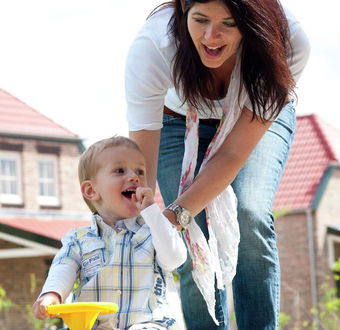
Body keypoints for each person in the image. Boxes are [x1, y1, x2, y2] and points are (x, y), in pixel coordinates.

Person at [125, 0, 309, 329]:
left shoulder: (289, 41)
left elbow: (233, 154)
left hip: (254, 115)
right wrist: (140, 224)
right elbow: (142, 168)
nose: (212, 36)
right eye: (201, 20)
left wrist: (177, 213)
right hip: (178, 122)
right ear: (184, 9)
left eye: (229, 23)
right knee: (189, 234)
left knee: (249, 213)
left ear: (250, 20)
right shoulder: (154, 46)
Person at [32, 136, 187, 329]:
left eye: (140, 171)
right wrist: (52, 294)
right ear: (91, 191)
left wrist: (152, 211)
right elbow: (63, 268)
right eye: (120, 170)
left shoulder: (154, 231)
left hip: (149, 324)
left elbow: (175, 258)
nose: (134, 177)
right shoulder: (79, 240)